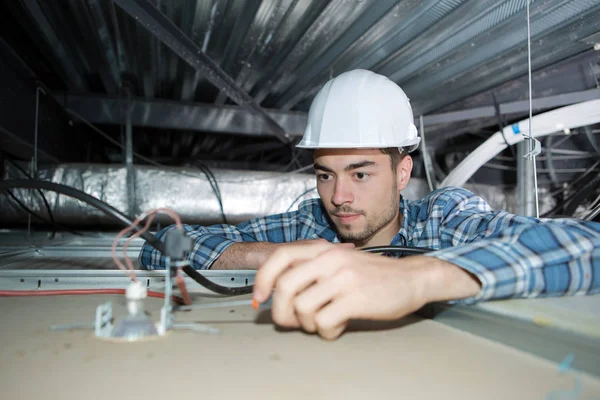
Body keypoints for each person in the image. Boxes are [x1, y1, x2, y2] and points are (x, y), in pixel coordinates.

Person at [139, 69, 600, 340]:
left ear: (403, 173)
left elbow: (589, 245)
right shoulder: (309, 224)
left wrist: (417, 278)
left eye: (360, 174)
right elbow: (157, 246)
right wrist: (271, 256)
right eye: (325, 175)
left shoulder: (442, 221)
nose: (339, 197)